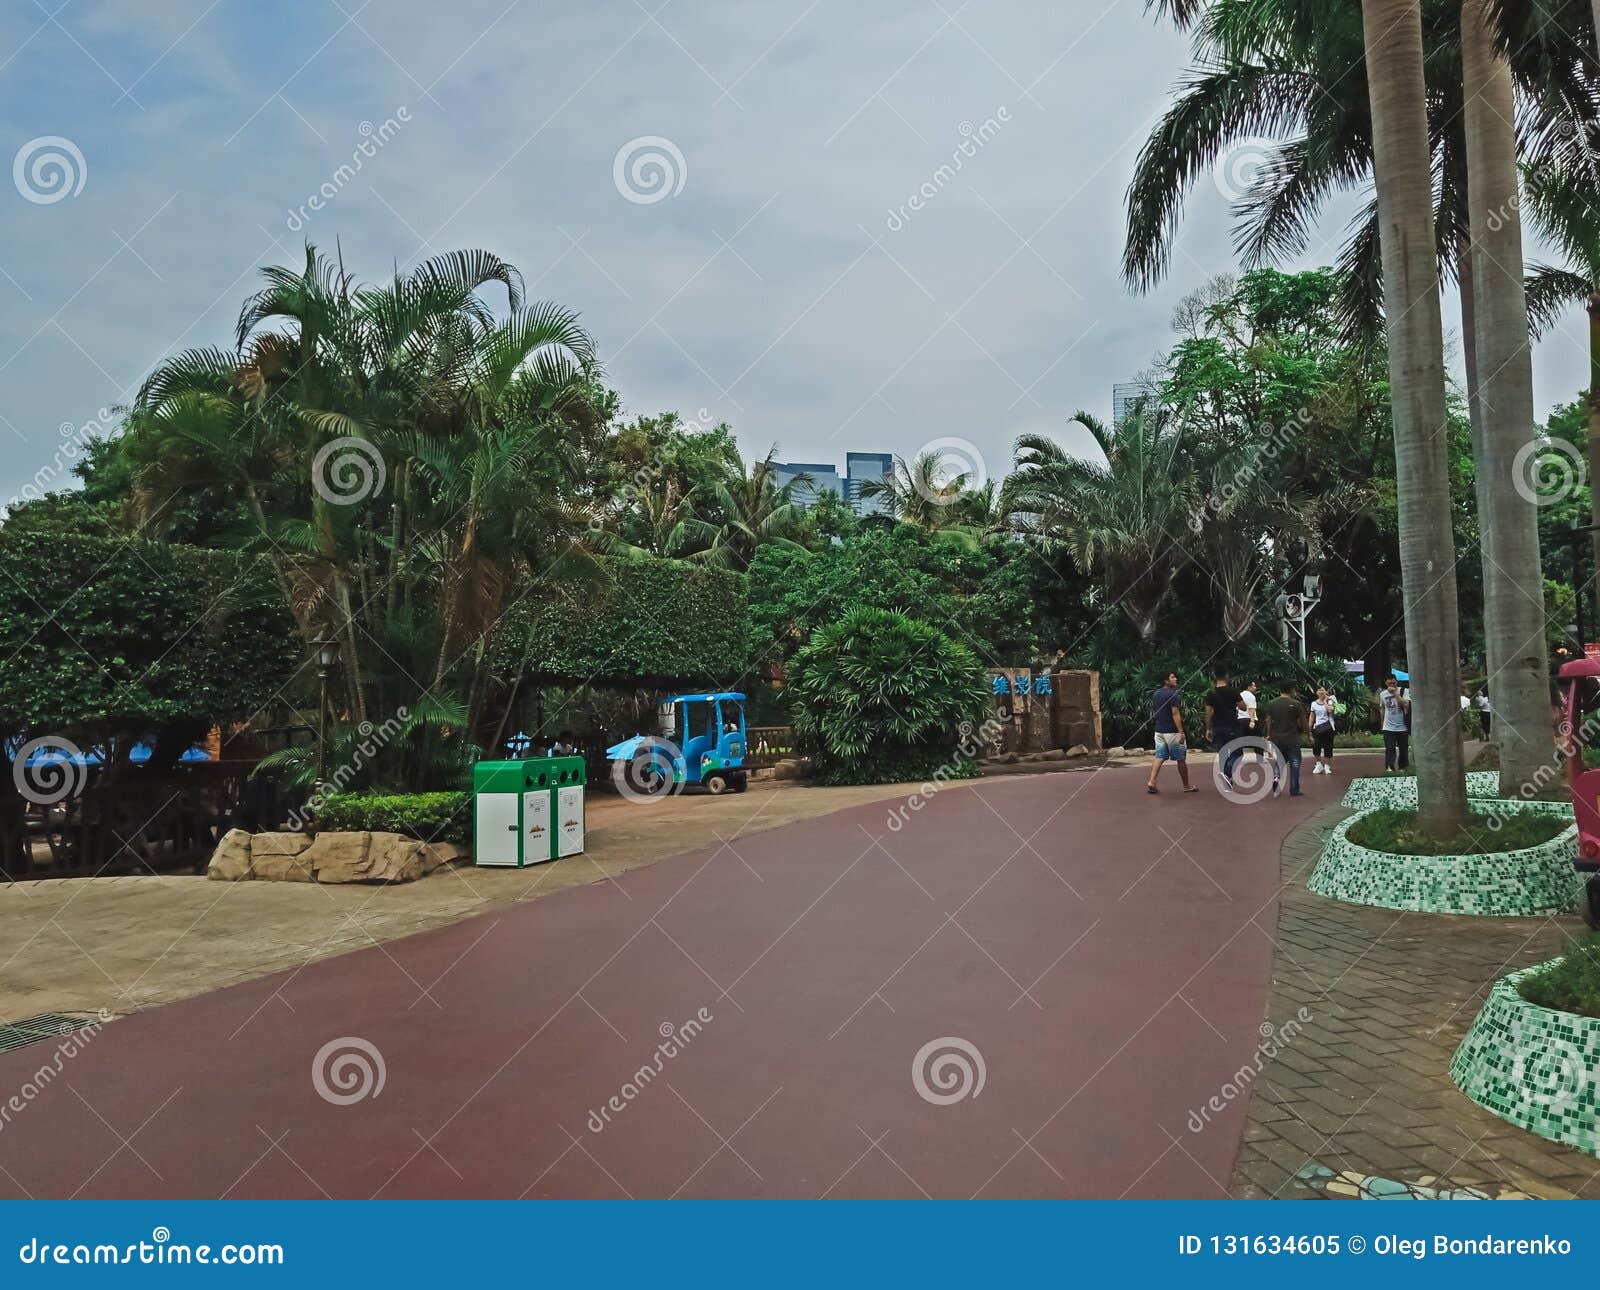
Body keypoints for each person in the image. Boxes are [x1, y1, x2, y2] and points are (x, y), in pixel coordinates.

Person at [1146, 671, 1199, 795]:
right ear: (1166, 681)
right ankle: (1186, 785)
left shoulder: (1156, 694)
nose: (1175, 679)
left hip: (1159, 730)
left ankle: (1152, 782)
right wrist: (1181, 731)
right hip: (1172, 732)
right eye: (1172, 677)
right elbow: (1175, 713)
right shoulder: (1173, 695)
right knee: (1181, 758)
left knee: (1159, 756)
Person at [1265, 683, 1308, 796]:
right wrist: (1309, 734)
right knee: (1295, 762)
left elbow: (1268, 720)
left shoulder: (1272, 703)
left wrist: (1269, 734)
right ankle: (1294, 789)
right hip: (1292, 738)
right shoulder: (1296, 704)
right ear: (1292, 690)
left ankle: (1276, 777)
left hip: (1277, 738)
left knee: (1280, 760)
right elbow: (1302, 722)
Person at [1204, 669, 1244, 784]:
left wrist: (1208, 728)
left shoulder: (1210, 693)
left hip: (1217, 726)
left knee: (1222, 753)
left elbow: (1208, 712)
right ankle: (1227, 774)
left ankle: (1225, 777)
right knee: (1238, 753)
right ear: (1226, 675)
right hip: (1232, 725)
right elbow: (1243, 707)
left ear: (1214, 676)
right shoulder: (1233, 691)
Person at [1380, 676, 1410, 772]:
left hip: (1402, 726)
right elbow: (1382, 708)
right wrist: (1382, 723)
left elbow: (1406, 704)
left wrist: (1395, 694)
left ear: (1396, 682)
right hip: (1388, 726)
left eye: (1393, 683)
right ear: (1386, 683)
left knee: (1403, 748)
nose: (1392, 685)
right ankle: (1390, 766)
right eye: (1389, 683)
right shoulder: (1383, 694)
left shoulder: (1404, 691)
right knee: (1389, 747)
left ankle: (1403, 767)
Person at [1309, 686, 1338, 774]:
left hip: (1329, 727)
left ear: (1326, 691)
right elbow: (1312, 716)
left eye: (1323, 690)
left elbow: (1330, 711)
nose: (1321, 692)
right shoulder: (1313, 703)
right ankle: (1319, 764)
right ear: (1316, 692)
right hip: (1318, 728)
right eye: (1319, 690)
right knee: (1316, 746)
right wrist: (1309, 728)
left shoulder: (1330, 701)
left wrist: (1326, 700)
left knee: (1328, 747)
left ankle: (1327, 766)